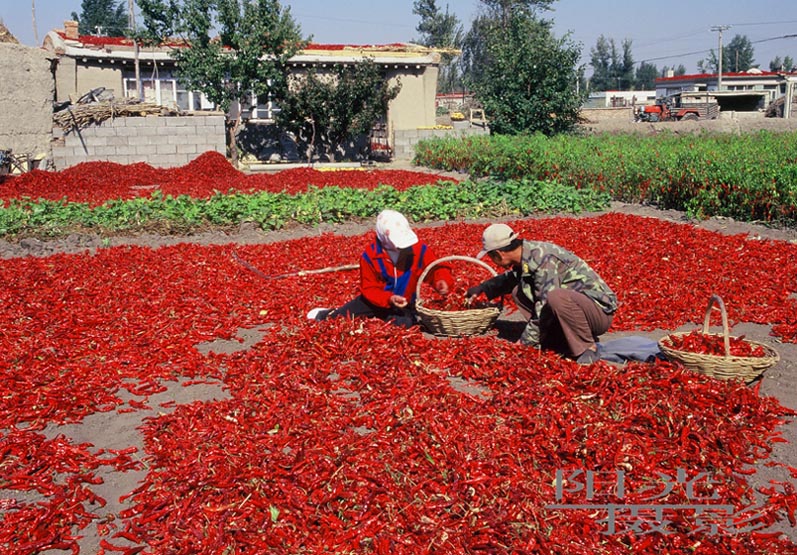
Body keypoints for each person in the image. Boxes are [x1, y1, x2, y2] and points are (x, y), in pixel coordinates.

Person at [466, 223, 618, 364]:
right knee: (519, 291)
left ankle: (587, 347)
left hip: (598, 313)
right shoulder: (525, 255)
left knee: (555, 297)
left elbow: (544, 303)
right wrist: (483, 288)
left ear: (499, 254)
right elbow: (512, 278)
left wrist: (524, 343)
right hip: (577, 311)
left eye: (491, 256)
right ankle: (557, 337)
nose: (492, 260)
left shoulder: (543, 258)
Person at [307, 209, 453, 328]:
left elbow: (435, 268)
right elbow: (369, 288)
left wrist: (441, 280)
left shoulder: (418, 249)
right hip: (374, 301)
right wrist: (389, 298)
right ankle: (326, 314)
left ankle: (383, 318)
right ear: (384, 239)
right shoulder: (370, 256)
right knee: (342, 316)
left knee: (403, 325)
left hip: (405, 302)